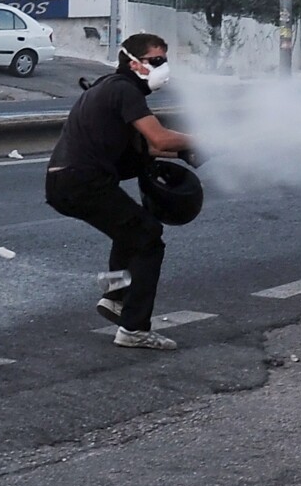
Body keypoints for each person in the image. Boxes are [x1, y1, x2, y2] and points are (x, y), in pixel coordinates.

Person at [45, 33, 201, 351]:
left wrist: (184, 152)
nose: (163, 68)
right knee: (148, 237)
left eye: (164, 61)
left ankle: (116, 297)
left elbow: (143, 147)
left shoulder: (109, 87)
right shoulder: (124, 89)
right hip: (84, 182)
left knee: (129, 230)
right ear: (134, 63)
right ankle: (134, 328)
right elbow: (158, 139)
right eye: (156, 61)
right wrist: (199, 140)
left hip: (64, 182)